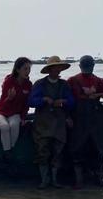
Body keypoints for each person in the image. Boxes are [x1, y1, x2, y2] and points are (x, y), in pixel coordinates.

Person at [67, 55, 103, 188]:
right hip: (81, 119)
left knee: (93, 149)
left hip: (91, 120)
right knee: (81, 148)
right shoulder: (74, 81)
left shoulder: (96, 81)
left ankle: (88, 180)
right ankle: (85, 180)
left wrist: (98, 95)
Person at [28, 55, 75, 188]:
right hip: (42, 123)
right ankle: (44, 180)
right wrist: (44, 100)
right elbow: (31, 101)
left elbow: (72, 102)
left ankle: (54, 180)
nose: (57, 70)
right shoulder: (40, 84)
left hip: (59, 122)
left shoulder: (64, 85)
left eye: (59, 68)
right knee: (42, 150)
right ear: (49, 70)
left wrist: (64, 101)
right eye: (55, 68)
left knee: (58, 151)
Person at [0, 57, 32, 160]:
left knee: (14, 125)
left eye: (29, 69)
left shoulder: (28, 84)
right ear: (18, 70)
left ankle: (9, 150)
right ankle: (7, 153)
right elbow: (4, 103)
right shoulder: (9, 81)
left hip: (15, 113)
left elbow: (26, 104)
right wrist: (9, 98)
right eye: (25, 69)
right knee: (5, 127)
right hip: (1, 111)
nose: (27, 71)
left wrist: (23, 117)